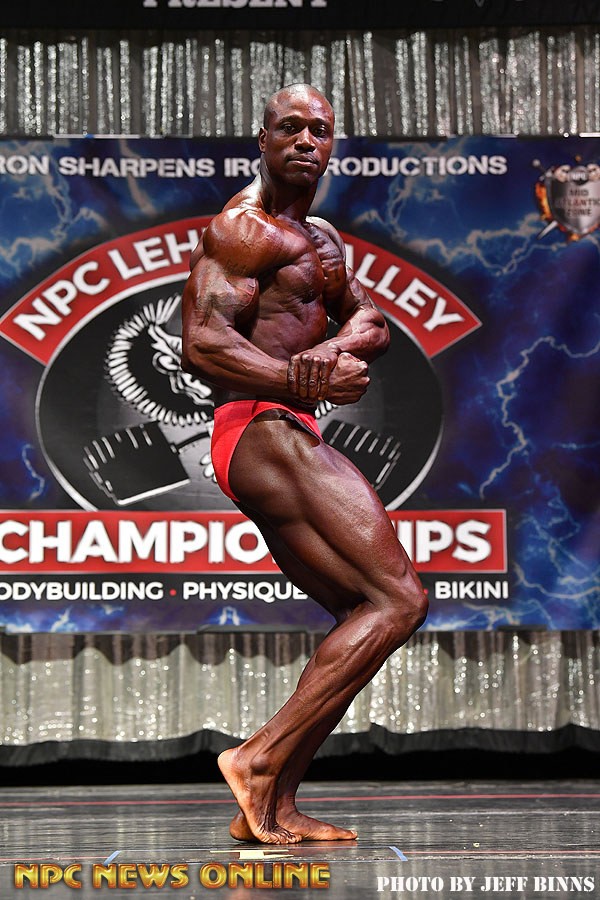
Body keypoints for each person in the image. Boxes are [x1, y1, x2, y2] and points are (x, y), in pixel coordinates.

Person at [181, 84, 428, 845]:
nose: (304, 140)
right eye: (288, 127)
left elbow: (371, 321)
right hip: (258, 426)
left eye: (319, 130)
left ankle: (274, 802)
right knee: (400, 598)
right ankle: (256, 759)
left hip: (282, 423)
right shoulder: (241, 230)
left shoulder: (319, 237)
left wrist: (333, 350)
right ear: (262, 140)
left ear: (332, 145)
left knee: (366, 613)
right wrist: (298, 379)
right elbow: (203, 344)